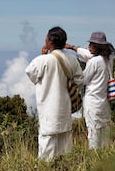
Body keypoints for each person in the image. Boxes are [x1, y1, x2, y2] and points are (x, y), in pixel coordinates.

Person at [25, 26, 84, 161]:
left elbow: (31, 73)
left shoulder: (43, 60)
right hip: (65, 112)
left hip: (49, 113)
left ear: (50, 41)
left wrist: (43, 55)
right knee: (65, 151)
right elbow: (80, 80)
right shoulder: (72, 60)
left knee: (47, 154)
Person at [65, 31, 114, 149]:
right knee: (105, 131)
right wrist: (73, 47)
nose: (89, 46)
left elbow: (83, 80)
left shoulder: (93, 62)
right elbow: (87, 54)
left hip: (92, 103)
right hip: (104, 102)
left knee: (93, 132)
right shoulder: (109, 60)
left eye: (91, 44)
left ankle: (94, 156)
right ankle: (105, 155)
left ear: (97, 47)